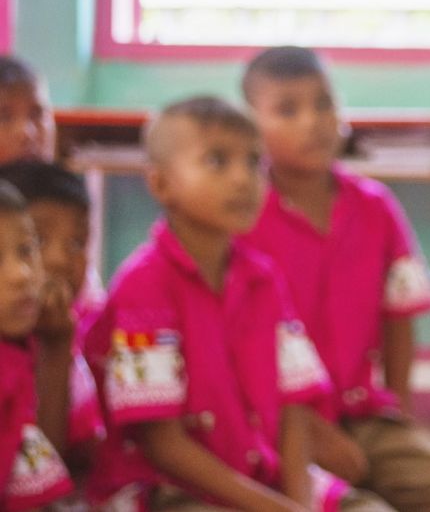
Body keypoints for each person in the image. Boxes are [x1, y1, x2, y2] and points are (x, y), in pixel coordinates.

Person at [82, 96, 389, 512]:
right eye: (217, 162)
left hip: (262, 478)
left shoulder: (264, 279)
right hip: (170, 491)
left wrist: (297, 501)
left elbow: (292, 411)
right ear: (160, 184)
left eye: (254, 163)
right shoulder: (144, 286)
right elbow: (163, 445)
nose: (243, 180)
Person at [239, 47, 430, 512]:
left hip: (360, 413)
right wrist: (306, 429)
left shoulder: (375, 207)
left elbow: (399, 321)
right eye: (288, 110)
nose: (312, 122)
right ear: (251, 125)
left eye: (324, 104)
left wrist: (401, 414)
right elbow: (240, 344)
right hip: (274, 425)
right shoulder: (244, 218)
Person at [0, 160, 105, 489]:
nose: (60, 259)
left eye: (77, 244)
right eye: (41, 241)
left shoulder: (65, 328)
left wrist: (58, 344)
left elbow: (54, 469)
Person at [0, 180, 75, 509]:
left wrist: (57, 348)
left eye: (27, 250)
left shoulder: (20, 348)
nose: (22, 274)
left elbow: (42, 472)